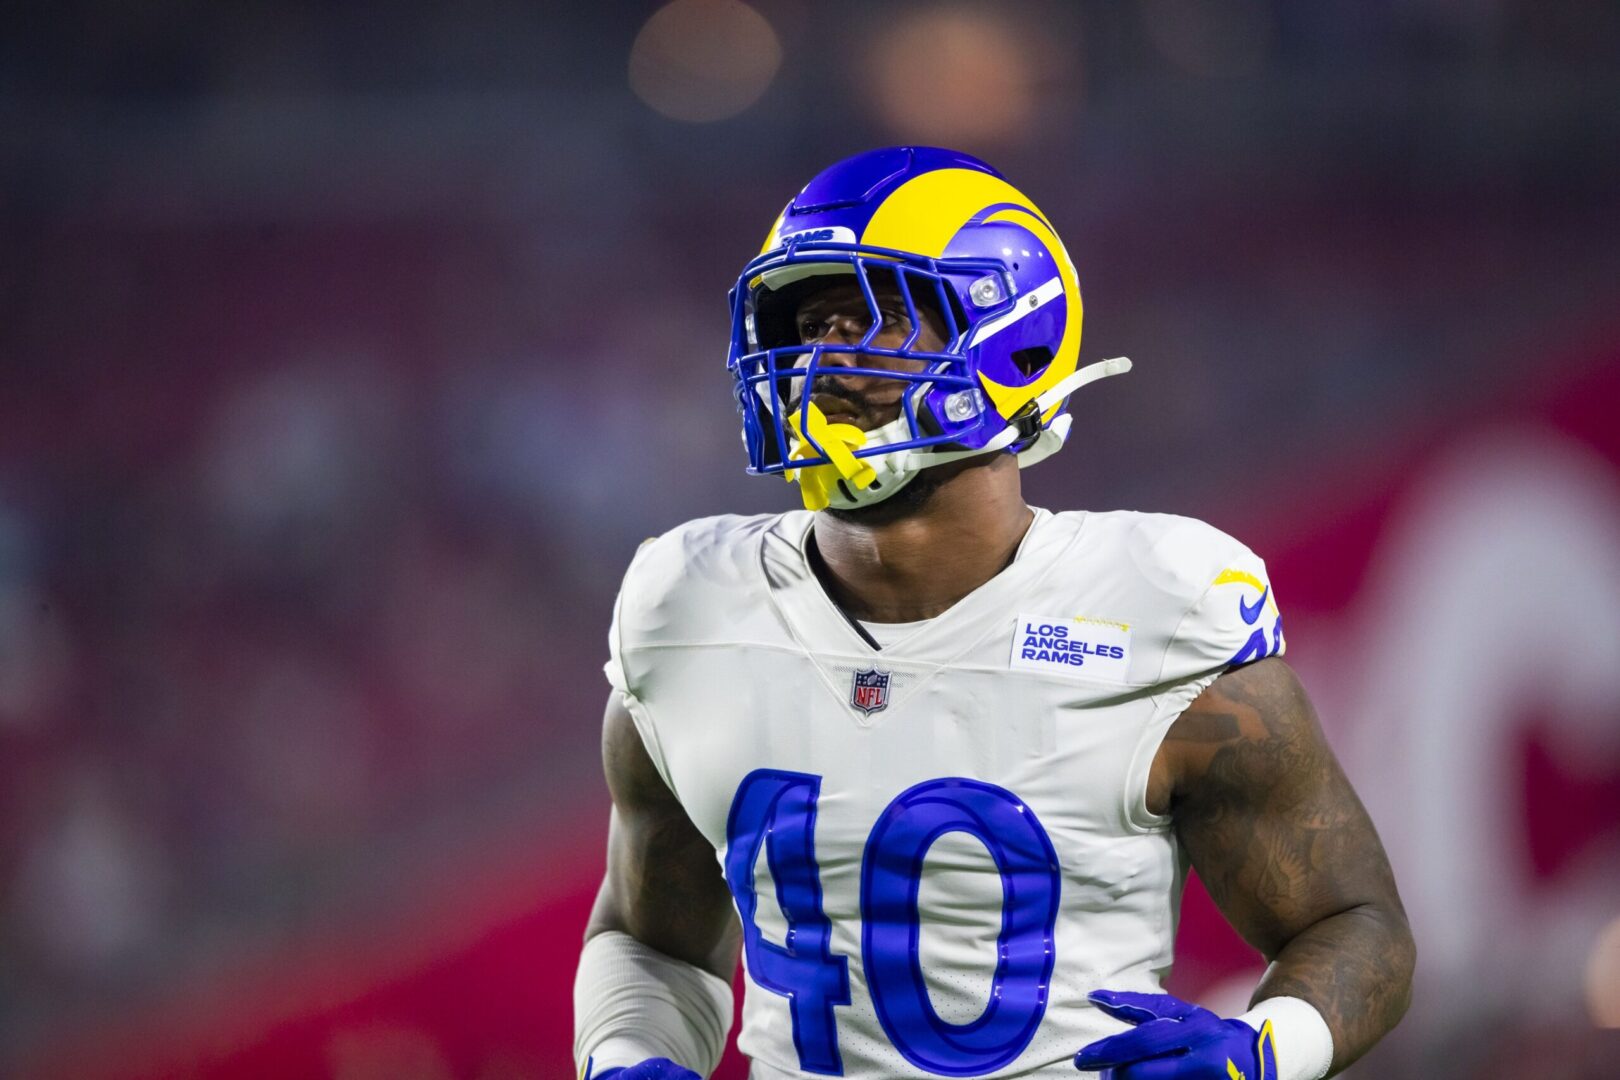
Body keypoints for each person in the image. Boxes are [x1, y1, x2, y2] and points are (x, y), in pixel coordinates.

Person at [572, 147, 1414, 1080]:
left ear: (1015, 340)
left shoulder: (1160, 610)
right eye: (808, 325)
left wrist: (1267, 1052)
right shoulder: (686, 608)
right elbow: (650, 941)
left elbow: (1352, 922)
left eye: (878, 315)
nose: (822, 360)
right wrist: (625, 1054)